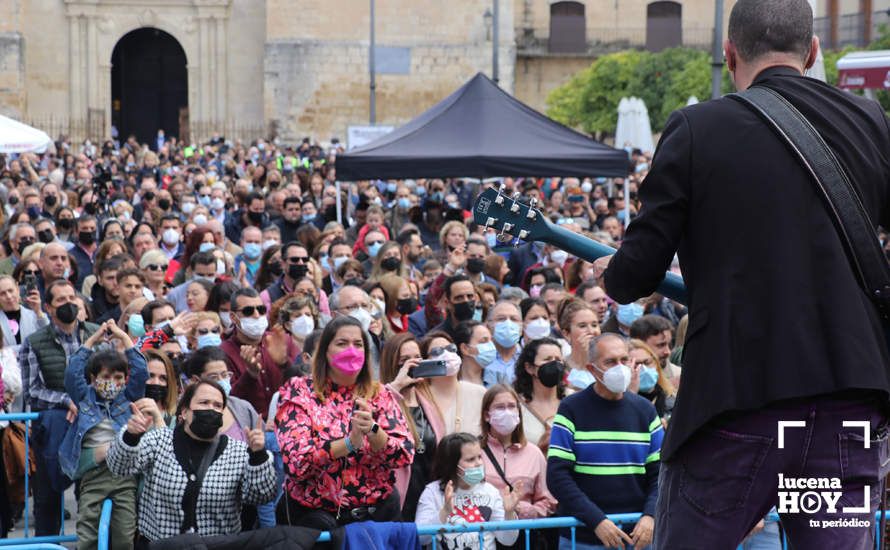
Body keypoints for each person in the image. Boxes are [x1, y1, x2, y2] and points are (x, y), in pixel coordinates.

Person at [594, 1, 890, 547]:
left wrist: (616, 271)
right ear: (814, 52)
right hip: (844, 405)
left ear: (729, 55)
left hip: (736, 407)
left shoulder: (695, 128)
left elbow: (633, 277)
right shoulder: (871, 123)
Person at [274, 316, 414, 529]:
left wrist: (374, 431)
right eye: (342, 343)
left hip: (378, 517)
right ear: (325, 352)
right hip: (318, 520)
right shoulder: (299, 391)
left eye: (358, 344)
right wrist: (348, 443)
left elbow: (405, 453)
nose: (351, 350)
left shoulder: (380, 393)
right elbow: (297, 462)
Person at [106, 379, 275, 546]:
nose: (211, 409)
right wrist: (131, 436)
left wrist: (258, 455)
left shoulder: (238, 452)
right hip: (161, 545)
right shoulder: (159, 440)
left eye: (217, 405)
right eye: (204, 402)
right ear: (185, 411)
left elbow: (262, 495)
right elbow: (118, 466)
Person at [547, 334, 661, 550]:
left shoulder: (645, 410)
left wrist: (650, 515)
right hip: (583, 538)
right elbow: (557, 475)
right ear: (591, 369)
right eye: (610, 362)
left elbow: (660, 474)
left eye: (624, 360)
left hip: (638, 538)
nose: (620, 367)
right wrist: (597, 521)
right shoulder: (571, 409)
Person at [19, 279, 100, 535]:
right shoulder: (34, 341)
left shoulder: (96, 334)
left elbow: (110, 378)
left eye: (71, 298)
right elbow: (32, 389)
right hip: (54, 424)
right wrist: (67, 401)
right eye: (61, 300)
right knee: (47, 494)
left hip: (92, 421)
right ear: (49, 307)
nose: (68, 304)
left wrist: (84, 402)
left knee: (91, 490)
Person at [60, 320, 148, 550]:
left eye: (118, 378)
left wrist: (123, 337)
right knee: (87, 528)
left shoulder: (127, 397)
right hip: (93, 472)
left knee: (125, 531)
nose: (113, 383)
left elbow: (140, 370)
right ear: (93, 378)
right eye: (106, 377)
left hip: (124, 474)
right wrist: (93, 339)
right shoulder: (84, 397)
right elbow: (72, 372)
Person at [416, 432, 519, 550]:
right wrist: (444, 512)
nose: (478, 463)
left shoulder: (490, 491)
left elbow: (508, 540)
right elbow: (421, 538)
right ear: (452, 464)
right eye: (470, 459)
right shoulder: (432, 492)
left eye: (479, 457)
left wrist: (509, 513)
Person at [222, 288, 298, 418]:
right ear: (233, 318)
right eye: (248, 311)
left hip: (289, 419)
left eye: (261, 309)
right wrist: (250, 375)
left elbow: (302, 385)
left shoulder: (281, 340)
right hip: (250, 427)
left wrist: (284, 363)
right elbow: (230, 402)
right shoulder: (224, 353)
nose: (257, 315)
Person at [513, 337, 565, 452]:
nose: (555, 364)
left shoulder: (573, 400)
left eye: (558, 359)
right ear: (530, 368)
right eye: (547, 360)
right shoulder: (515, 405)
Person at [558, 298, 601, 390]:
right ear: (566, 334)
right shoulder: (560, 368)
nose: (591, 331)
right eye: (582, 326)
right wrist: (583, 360)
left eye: (594, 325)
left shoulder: (607, 364)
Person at [630, 314, 682, 389]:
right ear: (638, 344)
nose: (667, 352)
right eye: (661, 345)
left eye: (669, 344)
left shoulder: (679, 376)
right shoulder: (623, 380)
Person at [484, 301, 522, 387]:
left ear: (521, 327)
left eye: (514, 319)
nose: (508, 323)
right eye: (501, 319)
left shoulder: (528, 359)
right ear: (488, 326)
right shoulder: (480, 359)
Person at [452, 320, 493, 386]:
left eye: (491, 341)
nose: (491, 346)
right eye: (484, 341)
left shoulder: (498, 380)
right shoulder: (449, 383)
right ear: (465, 348)